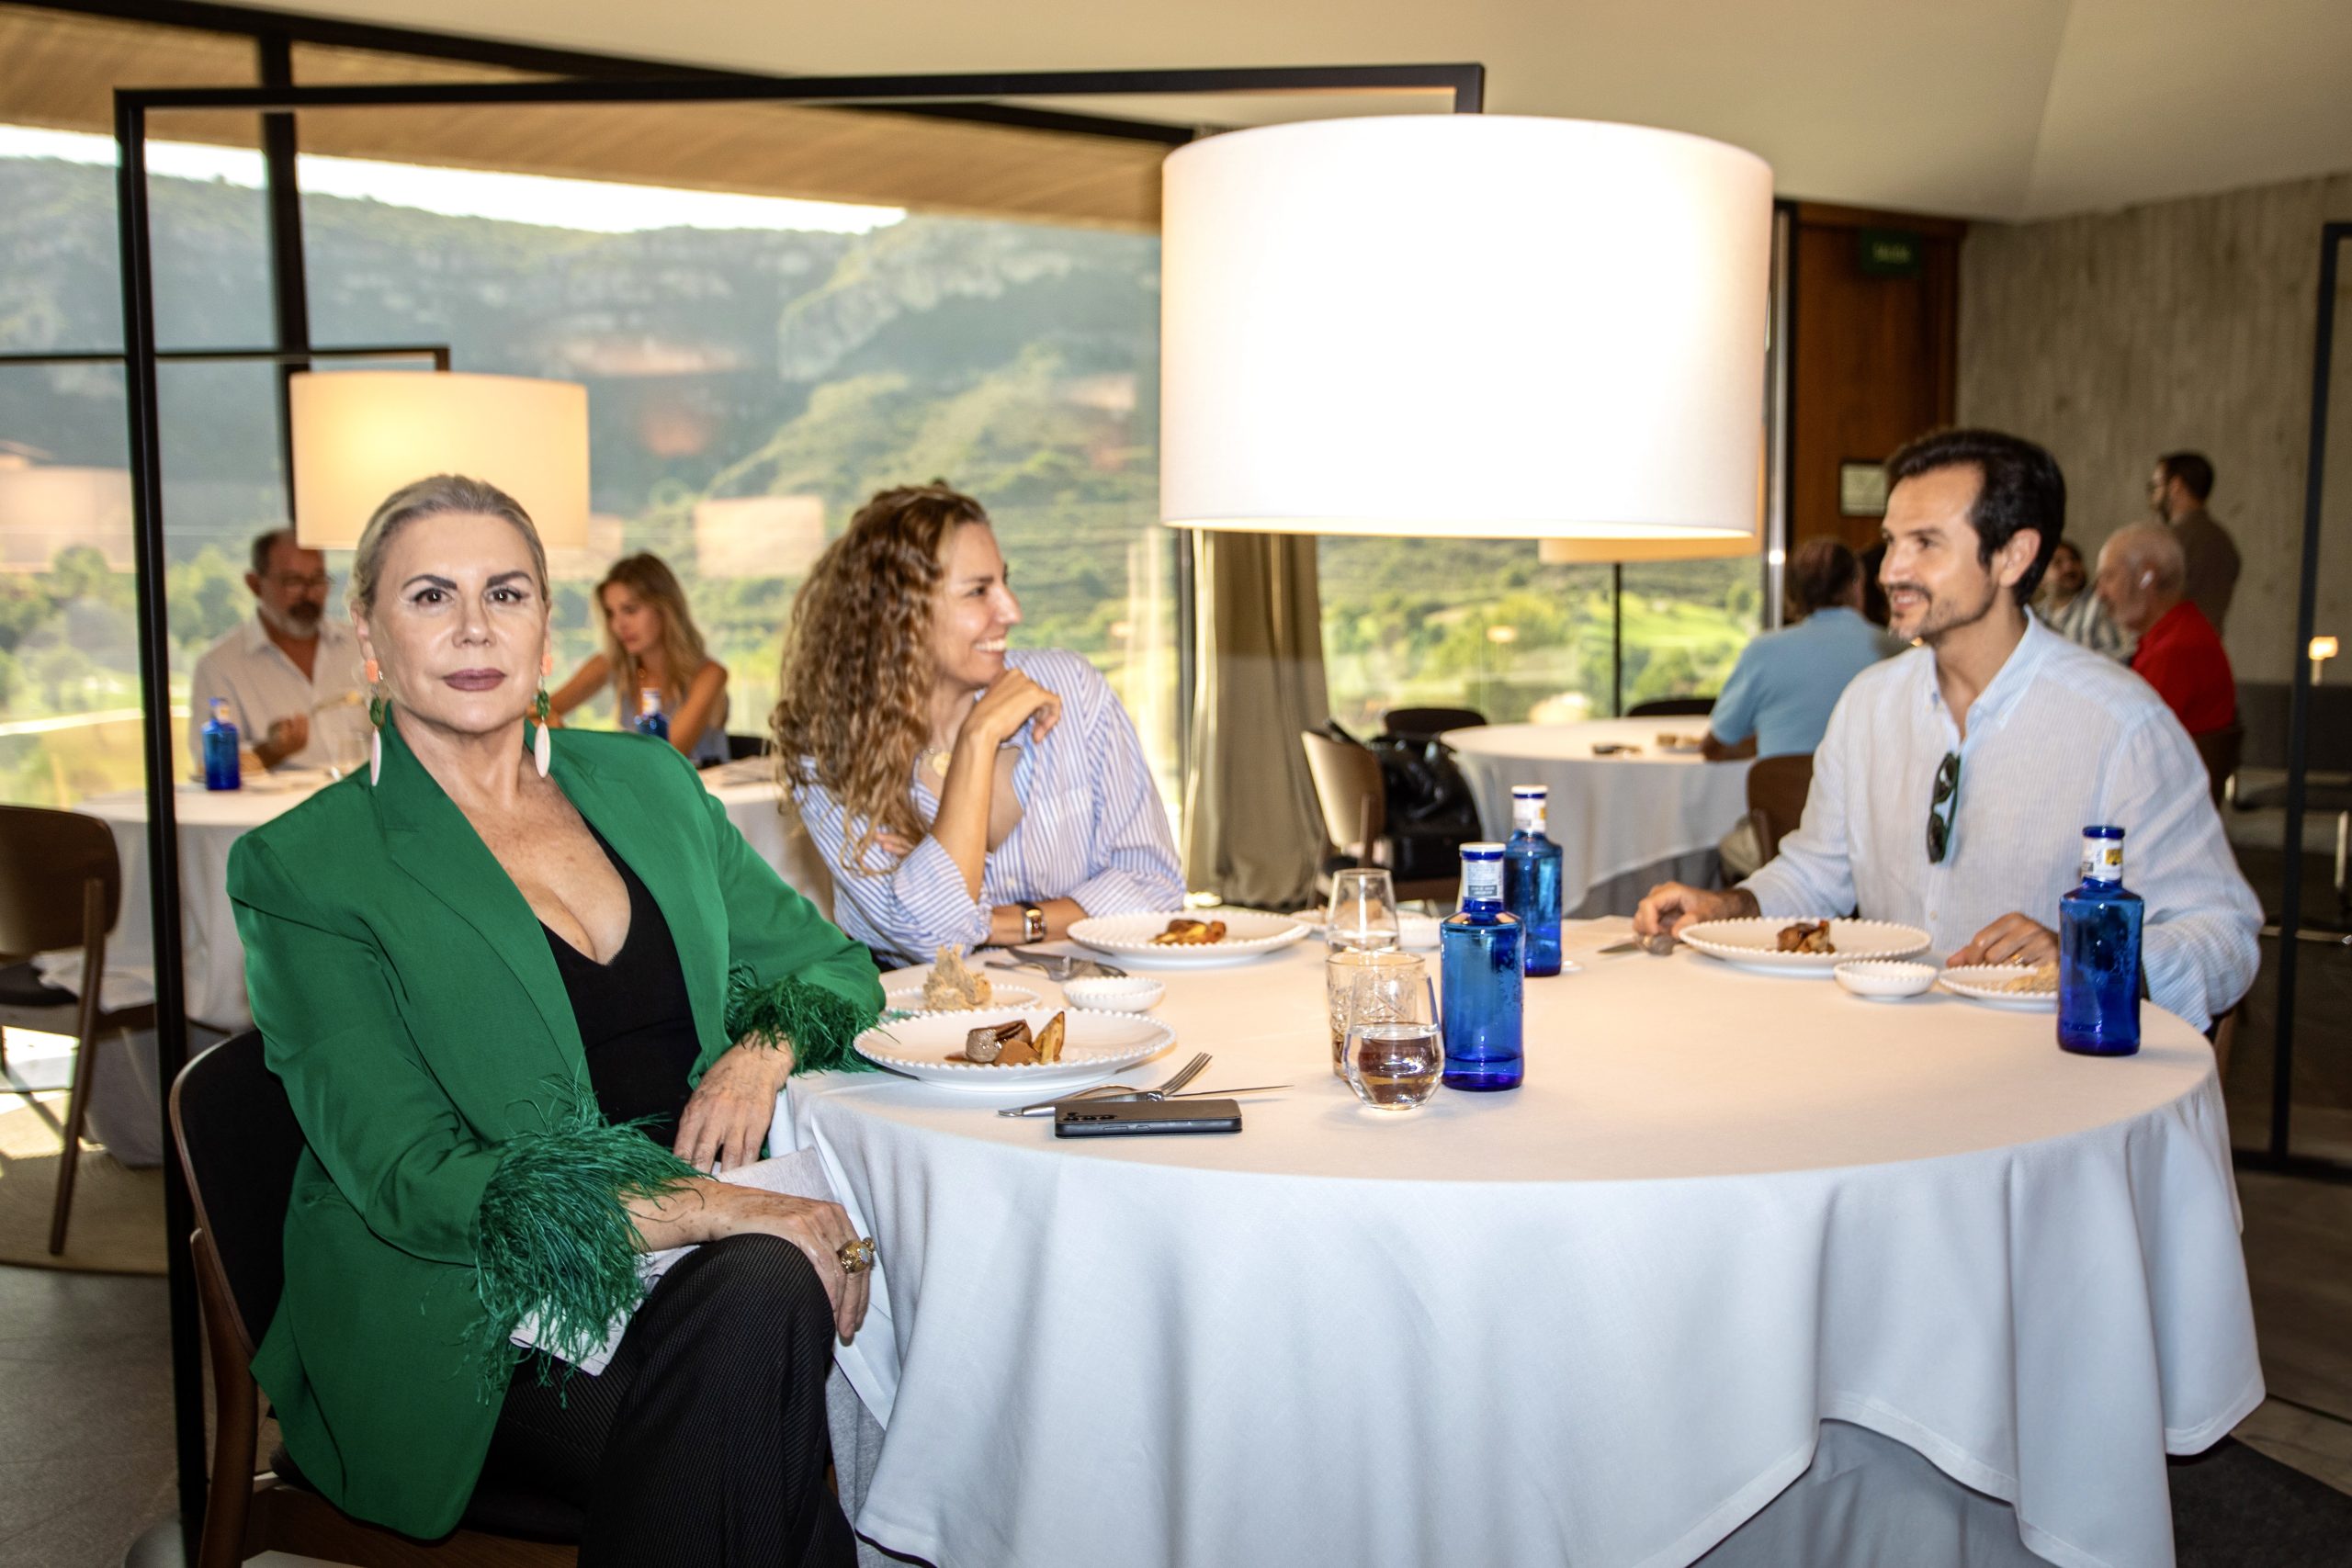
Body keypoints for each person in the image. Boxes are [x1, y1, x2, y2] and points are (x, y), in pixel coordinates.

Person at [227, 474, 884, 1562]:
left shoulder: (649, 784)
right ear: (370, 633)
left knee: (785, 1328)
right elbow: (411, 1176)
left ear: (544, 625)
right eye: (432, 596)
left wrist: (760, 1053)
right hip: (468, 1303)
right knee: (767, 1326)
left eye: (509, 593)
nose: (476, 627)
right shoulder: (305, 868)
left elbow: (830, 962)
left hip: (715, 1270)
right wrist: (711, 1210)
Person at [1634, 428, 2259, 1032]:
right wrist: (1729, 909)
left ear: (2013, 555)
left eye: (1926, 543)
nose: (1889, 570)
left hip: (2045, 1078)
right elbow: (1814, 874)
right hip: (1884, 1055)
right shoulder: (1869, 705)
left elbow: (2222, 932)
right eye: (1890, 540)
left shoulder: (2120, 725)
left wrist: (2085, 959)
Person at [773, 482, 1184, 965]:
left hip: (1096, 1005)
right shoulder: (829, 753)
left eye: (1004, 583)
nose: (1012, 611)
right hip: (932, 1028)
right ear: (900, 616)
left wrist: (988, 921)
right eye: (978, 591)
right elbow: (938, 939)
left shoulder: (1071, 688)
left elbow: (1156, 888)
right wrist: (978, 737)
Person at [186, 527, 368, 774]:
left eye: (318, 580)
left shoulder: (361, 644)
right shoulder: (219, 665)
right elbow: (210, 767)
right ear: (255, 584)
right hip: (278, 811)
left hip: (365, 800)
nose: (309, 594)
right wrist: (271, 751)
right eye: (293, 582)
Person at [1701, 539, 1888, 763]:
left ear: (1791, 591)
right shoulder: (1902, 652)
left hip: (1783, 796)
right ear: (1857, 585)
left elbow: (1715, 746)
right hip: (1868, 797)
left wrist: (1767, 746)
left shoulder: (1762, 652)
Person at [549, 552, 731, 765]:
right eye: (611, 614)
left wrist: (573, 743)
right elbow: (538, 711)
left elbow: (666, 757)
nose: (619, 625)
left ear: (664, 608)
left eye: (630, 610)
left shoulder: (710, 675)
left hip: (701, 797)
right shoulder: (611, 665)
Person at [2097, 521, 2237, 738]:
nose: (2100, 593)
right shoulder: (2178, 634)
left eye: (2109, 576)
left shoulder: (2176, 649)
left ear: (2147, 576)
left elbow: (2132, 737)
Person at [2148, 451, 2241, 634]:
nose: (2154, 496)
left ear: (2175, 486)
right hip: (2208, 648)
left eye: (2157, 486)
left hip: (2171, 647)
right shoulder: (2223, 539)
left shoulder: (2169, 541)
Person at [2031, 538, 2132, 661]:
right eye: (2057, 563)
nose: (2069, 567)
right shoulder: (2033, 618)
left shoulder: (2103, 602)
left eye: (2074, 559)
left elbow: (2123, 656)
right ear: (2040, 578)